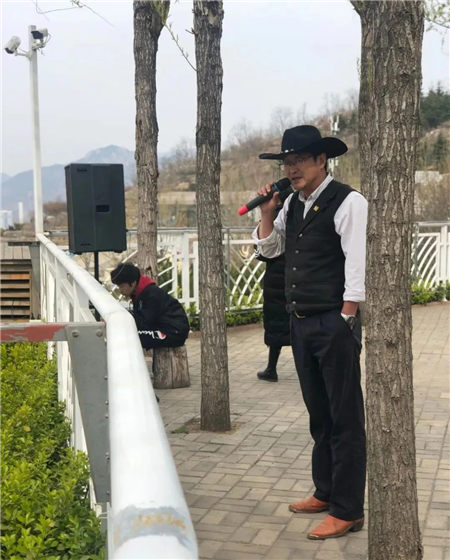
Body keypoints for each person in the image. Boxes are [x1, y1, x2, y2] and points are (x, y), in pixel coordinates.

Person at [252, 125, 367, 540]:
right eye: (287, 161)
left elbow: (357, 261)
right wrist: (267, 214)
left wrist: (346, 316)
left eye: (300, 159)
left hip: (333, 322)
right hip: (301, 323)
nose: (292, 168)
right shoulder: (291, 204)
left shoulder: (348, 201)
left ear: (322, 160)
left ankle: (348, 509)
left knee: (345, 418)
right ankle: (325, 491)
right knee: (320, 414)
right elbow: (271, 250)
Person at [110, 263, 190, 350]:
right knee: (127, 335)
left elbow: (145, 323)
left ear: (133, 283)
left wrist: (122, 319)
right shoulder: (140, 294)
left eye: (122, 286)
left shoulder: (151, 294)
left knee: (130, 338)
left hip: (173, 332)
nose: (120, 290)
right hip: (165, 328)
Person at [256, 201, 292, 382]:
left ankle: (271, 368)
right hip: (292, 277)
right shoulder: (296, 213)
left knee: (276, 325)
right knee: (295, 326)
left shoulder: (275, 218)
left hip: (276, 279)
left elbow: (261, 252)